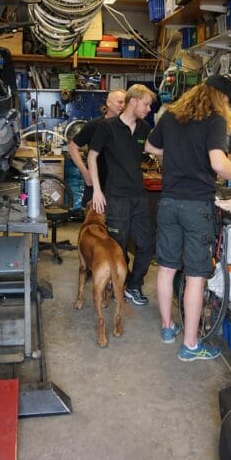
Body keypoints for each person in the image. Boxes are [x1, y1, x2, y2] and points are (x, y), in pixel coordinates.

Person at [145, 75, 231, 361]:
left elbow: (150, 147)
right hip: (196, 207)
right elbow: (218, 161)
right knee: (195, 275)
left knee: (166, 268)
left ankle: (168, 328)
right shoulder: (215, 119)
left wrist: (176, 156)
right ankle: (190, 345)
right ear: (220, 97)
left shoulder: (171, 116)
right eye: (226, 99)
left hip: (169, 203)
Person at [88, 84, 156, 306]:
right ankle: (119, 284)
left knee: (146, 244)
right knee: (118, 246)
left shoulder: (144, 128)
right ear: (133, 101)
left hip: (138, 196)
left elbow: (152, 149)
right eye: (146, 104)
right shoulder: (107, 126)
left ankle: (133, 286)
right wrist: (97, 190)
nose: (148, 109)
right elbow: (92, 156)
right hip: (116, 196)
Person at [67, 89, 126, 205]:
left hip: (119, 186)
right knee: (93, 216)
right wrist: (85, 173)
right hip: (96, 184)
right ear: (108, 102)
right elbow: (72, 146)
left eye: (125, 103)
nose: (123, 106)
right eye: (120, 102)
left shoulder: (127, 126)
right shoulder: (95, 125)